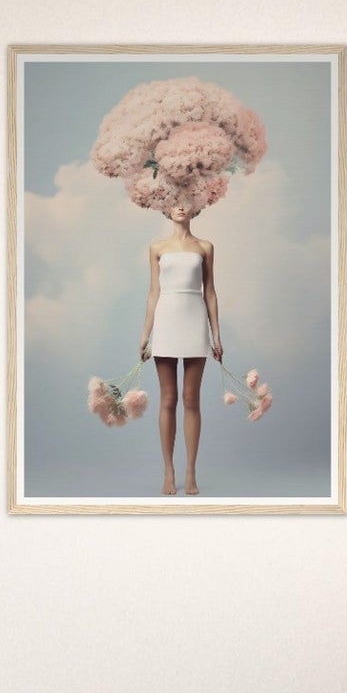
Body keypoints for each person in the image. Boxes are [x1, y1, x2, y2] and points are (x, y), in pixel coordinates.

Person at [137, 203, 221, 497]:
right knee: (168, 398)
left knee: (191, 399)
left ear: (195, 208)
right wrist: (146, 334)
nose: (180, 207)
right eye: (174, 202)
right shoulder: (157, 247)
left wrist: (216, 335)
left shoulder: (205, 246)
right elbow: (153, 292)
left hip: (194, 319)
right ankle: (169, 471)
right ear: (165, 208)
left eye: (187, 201)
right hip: (167, 319)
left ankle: (191, 471)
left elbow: (210, 292)